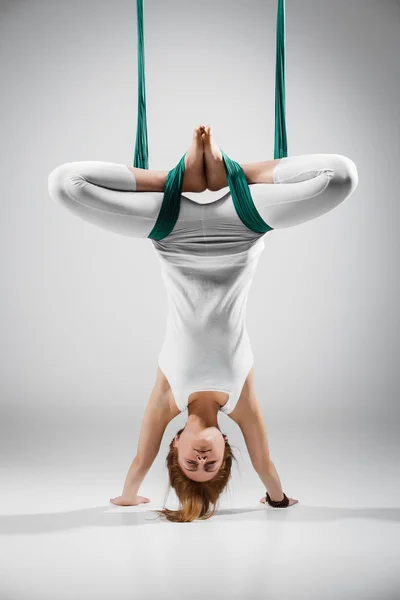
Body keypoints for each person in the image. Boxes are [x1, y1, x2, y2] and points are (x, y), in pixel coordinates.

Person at [48, 125, 359, 522]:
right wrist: (278, 500)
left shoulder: (167, 400)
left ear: (175, 444)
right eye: (210, 467)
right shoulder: (240, 402)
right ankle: (238, 173)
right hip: (241, 229)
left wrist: (129, 496)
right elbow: (265, 464)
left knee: (65, 184)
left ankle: (170, 180)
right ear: (226, 448)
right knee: (341, 176)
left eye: (190, 465)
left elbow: (141, 460)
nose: (200, 459)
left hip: (172, 233)